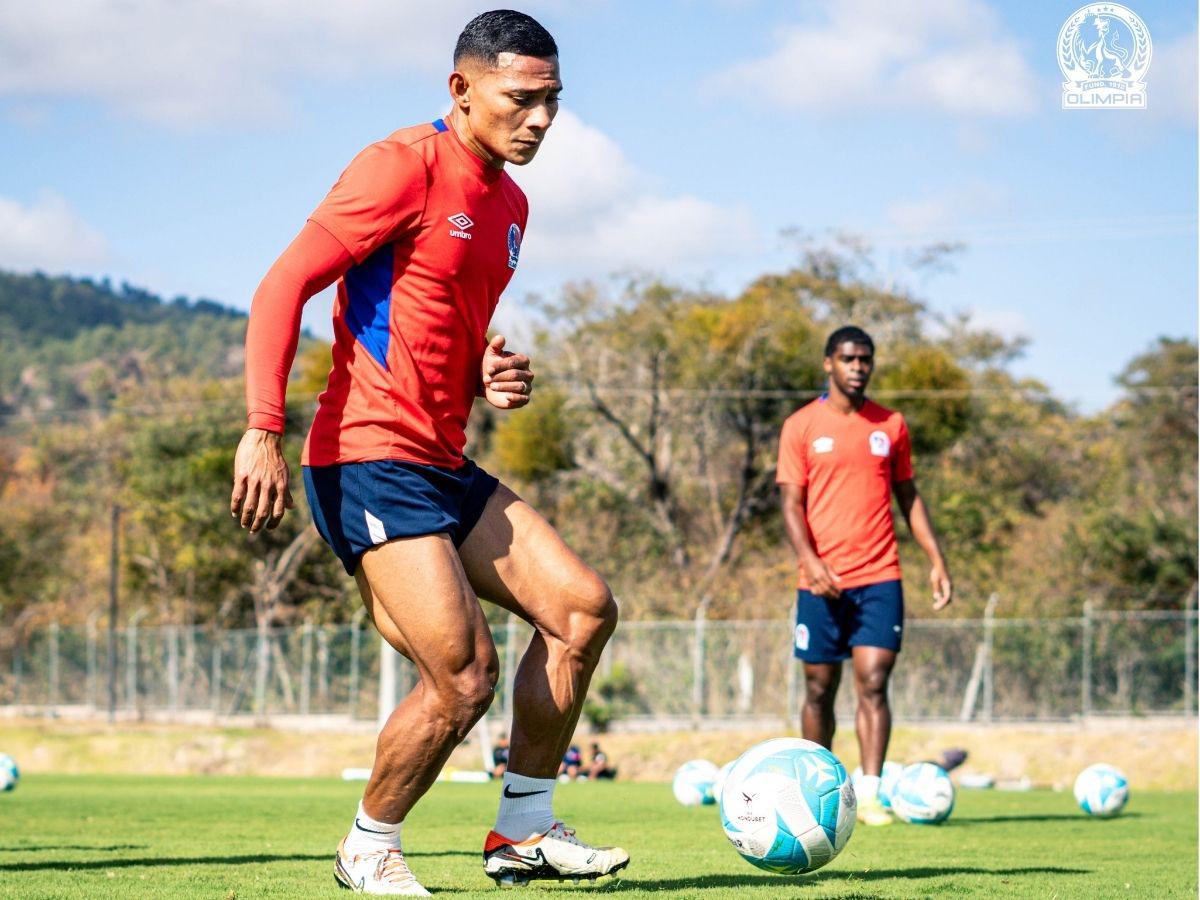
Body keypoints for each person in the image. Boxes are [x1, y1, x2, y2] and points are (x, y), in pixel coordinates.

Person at [230, 10, 628, 894]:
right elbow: (281, 286)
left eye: (552, 101)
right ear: (461, 89)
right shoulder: (399, 165)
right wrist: (263, 428)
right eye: (521, 99)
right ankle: (368, 845)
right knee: (464, 676)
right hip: (367, 456)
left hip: (442, 461)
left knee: (581, 611)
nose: (541, 120)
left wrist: (487, 369)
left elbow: (438, 320)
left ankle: (522, 830)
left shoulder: (512, 204)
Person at [776, 326, 952, 827]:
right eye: (849, 358)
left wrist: (936, 559)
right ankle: (817, 790)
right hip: (820, 581)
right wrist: (810, 562)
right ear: (828, 363)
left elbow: (909, 496)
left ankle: (871, 792)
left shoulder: (890, 425)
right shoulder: (802, 426)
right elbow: (790, 503)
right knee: (818, 690)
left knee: (873, 683)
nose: (858, 367)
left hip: (880, 576)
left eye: (866, 359)